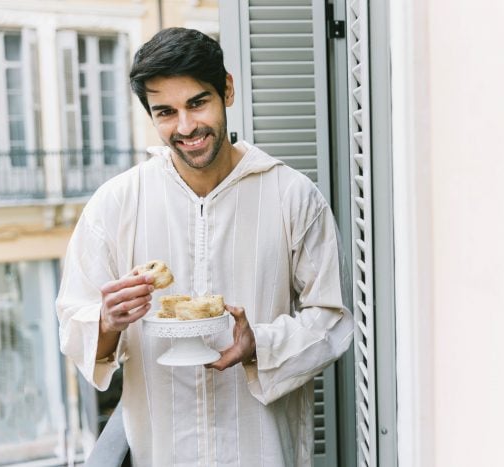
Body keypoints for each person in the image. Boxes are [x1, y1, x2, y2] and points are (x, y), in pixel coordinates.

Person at [56, 27, 353, 466]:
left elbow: (331, 319)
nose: (186, 126)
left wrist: (260, 345)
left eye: (197, 102)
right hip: (162, 454)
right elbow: (73, 322)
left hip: (263, 452)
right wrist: (107, 321)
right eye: (165, 112)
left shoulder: (293, 196)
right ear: (150, 116)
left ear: (227, 90)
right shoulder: (116, 203)